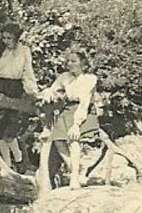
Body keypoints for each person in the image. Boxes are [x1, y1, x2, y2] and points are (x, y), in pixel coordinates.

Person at [36, 45, 101, 192]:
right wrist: (48, 94)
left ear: (83, 63)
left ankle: (74, 178)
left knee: (74, 141)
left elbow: (85, 102)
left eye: (74, 61)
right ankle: (75, 168)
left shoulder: (90, 79)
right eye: (69, 61)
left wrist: (77, 124)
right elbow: (52, 88)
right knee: (58, 139)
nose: (70, 64)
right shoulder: (65, 77)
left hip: (82, 111)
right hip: (68, 109)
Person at [0, 21, 39, 172]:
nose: (6, 41)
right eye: (4, 38)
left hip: (15, 89)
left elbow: (28, 73)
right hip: (0, 89)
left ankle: (18, 160)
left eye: (9, 38)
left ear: (17, 38)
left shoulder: (24, 51)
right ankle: (7, 165)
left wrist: (33, 93)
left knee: (9, 132)